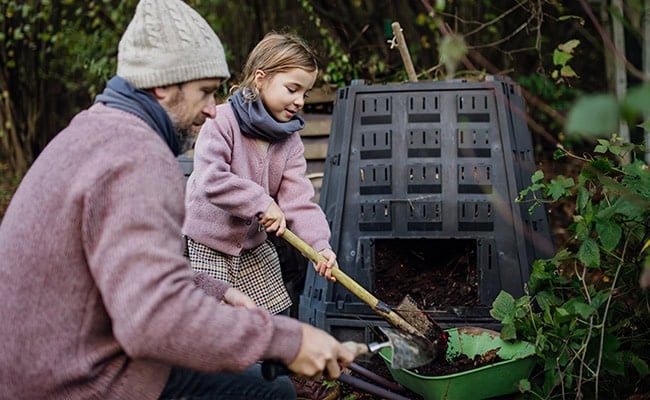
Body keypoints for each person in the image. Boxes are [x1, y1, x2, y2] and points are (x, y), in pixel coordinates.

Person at [0, 1, 354, 399]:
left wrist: (212, 291)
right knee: (273, 395)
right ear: (163, 85)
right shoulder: (139, 159)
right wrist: (288, 341)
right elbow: (153, 320)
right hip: (78, 381)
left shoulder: (91, 132)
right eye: (204, 91)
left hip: (56, 360)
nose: (209, 108)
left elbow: (125, 272)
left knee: (257, 383)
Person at [183, 32, 337, 316]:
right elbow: (211, 180)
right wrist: (262, 203)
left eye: (305, 93)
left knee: (273, 322)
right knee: (213, 326)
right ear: (260, 78)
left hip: (251, 249)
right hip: (206, 246)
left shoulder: (289, 141)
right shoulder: (221, 121)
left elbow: (298, 202)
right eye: (292, 89)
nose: (300, 100)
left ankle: (275, 360)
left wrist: (319, 247)